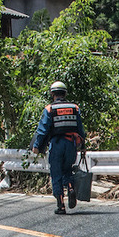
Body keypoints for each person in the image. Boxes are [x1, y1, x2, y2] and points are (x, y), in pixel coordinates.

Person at [32, 81, 88, 215]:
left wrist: (36, 146)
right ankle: (70, 187)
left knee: (56, 174)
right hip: (71, 144)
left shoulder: (49, 109)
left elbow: (42, 130)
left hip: (56, 144)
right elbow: (80, 128)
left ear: (52, 94)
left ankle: (61, 206)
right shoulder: (75, 107)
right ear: (65, 93)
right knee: (67, 170)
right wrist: (83, 145)